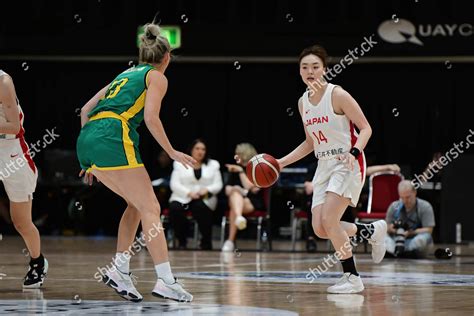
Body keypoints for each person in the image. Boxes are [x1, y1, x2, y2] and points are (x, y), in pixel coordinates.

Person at [76, 22, 195, 302]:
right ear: (166, 58)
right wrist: (173, 151)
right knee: (152, 207)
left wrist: (88, 155)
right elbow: (152, 119)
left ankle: (120, 269)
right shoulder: (157, 76)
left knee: (136, 205)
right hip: (112, 134)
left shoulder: (125, 73)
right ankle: (166, 280)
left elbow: (85, 109)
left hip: (89, 136)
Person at [276, 45, 387, 294]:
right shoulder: (303, 102)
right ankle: (371, 230)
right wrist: (281, 162)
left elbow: (366, 128)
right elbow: (309, 143)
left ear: (325, 68)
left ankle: (352, 276)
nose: (310, 71)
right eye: (304, 67)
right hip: (324, 165)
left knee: (330, 219)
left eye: (315, 66)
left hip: (347, 161)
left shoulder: (337, 94)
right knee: (320, 228)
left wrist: (354, 152)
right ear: (300, 72)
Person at [0, 69, 48, 288]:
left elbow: (14, 126)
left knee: (21, 222)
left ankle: (38, 262)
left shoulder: (3, 82)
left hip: (12, 152)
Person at [169, 138, 223, 250]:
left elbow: (218, 184)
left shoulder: (213, 164)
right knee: (175, 208)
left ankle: (206, 242)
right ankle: (182, 241)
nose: (200, 151)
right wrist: (188, 193)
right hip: (183, 197)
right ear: (191, 150)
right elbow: (174, 184)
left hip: (204, 197)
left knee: (201, 207)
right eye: (197, 148)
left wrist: (207, 190)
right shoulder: (179, 163)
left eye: (203, 149)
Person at [221, 143, 266, 252]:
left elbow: (251, 187)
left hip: (252, 202)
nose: (236, 156)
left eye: (239, 154)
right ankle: (239, 217)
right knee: (235, 192)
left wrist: (241, 172)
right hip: (236, 199)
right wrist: (236, 189)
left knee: (234, 208)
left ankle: (230, 241)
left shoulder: (257, 168)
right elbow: (226, 190)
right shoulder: (235, 170)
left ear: (245, 154)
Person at [385, 180, 435, 258]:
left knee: (425, 237)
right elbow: (387, 227)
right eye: (402, 198)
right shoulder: (394, 206)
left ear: (415, 193)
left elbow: (429, 230)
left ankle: (397, 252)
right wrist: (394, 229)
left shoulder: (425, 206)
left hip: (414, 239)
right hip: (396, 239)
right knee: (382, 236)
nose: (405, 201)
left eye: (408, 197)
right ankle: (399, 251)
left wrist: (411, 232)